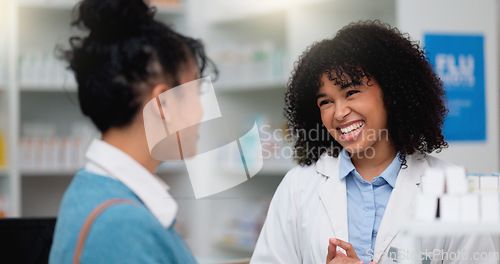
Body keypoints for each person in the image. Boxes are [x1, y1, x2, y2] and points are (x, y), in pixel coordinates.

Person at [251, 21, 496, 264]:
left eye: (350, 93)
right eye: (325, 102)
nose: (338, 113)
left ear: (391, 92)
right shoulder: (298, 187)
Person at [49, 0, 215, 263]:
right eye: (198, 92)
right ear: (163, 103)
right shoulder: (121, 225)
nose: (202, 112)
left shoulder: (94, 189)